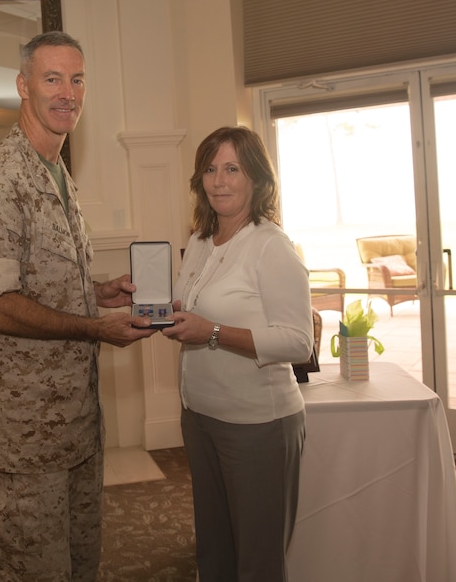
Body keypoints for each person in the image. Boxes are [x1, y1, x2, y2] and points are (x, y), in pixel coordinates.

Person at [0, 31, 157, 581]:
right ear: (23, 86)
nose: (67, 92)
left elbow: (40, 282)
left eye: (77, 79)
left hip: (73, 425)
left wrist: (98, 290)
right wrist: (95, 326)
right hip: (21, 435)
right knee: (33, 572)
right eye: (52, 79)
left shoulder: (57, 174)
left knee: (78, 566)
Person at [161, 125, 315, 582]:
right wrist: (164, 313)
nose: (219, 180)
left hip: (258, 425)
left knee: (258, 560)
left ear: (256, 179)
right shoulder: (202, 242)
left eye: (232, 168)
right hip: (200, 416)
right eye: (210, 169)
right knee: (215, 552)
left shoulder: (272, 246)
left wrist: (212, 332)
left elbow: (297, 341)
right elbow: (195, 307)